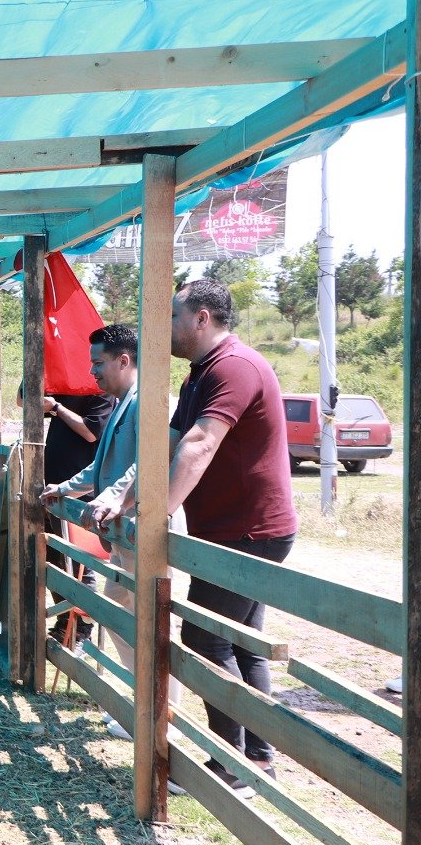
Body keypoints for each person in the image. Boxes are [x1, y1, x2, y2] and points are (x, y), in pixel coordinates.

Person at [160, 279, 297, 796]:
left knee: (204, 637)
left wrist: (158, 513)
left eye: (173, 317)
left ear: (201, 318)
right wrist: (124, 498)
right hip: (232, 528)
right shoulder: (200, 373)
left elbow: (199, 443)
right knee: (241, 644)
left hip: (251, 530)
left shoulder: (234, 367)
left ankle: (232, 764)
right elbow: (171, 442)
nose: (167, 329)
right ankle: (256, 761)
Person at [41, 324, 185, 754]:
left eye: (98, 363)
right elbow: (104, 466)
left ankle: (164, 720)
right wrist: (66, 488)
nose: (92, 372)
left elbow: (146, 464)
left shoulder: (149, 404)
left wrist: (112, 496)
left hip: (147, 529)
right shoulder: (123, 403)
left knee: (153, 622)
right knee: (122, 613)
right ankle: (146, 706)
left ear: (124, 360)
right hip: (123, 532)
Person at [22, 380, 114, 644]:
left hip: (79, 494)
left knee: (78, 564)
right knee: (54, 558)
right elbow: (23, 400)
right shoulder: (65, 382)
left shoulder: (102, 390)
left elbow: (91, 432)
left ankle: (81, 627)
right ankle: (67, 623)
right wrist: (40, 375)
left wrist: (58, 408)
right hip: (55, 488)